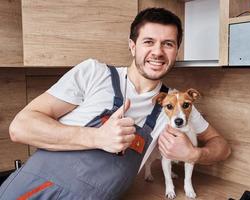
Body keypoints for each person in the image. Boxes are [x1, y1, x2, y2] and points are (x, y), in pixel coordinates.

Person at [0, 7, 231, 200]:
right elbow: (20, 128)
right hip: (34, 191)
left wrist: (194, 155)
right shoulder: (94, 73)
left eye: (168, 44)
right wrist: (98, 137)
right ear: (132, 46)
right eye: (148, 41)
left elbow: (222, 146)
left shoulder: (173, 104)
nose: (158, 52)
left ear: (176, 51)